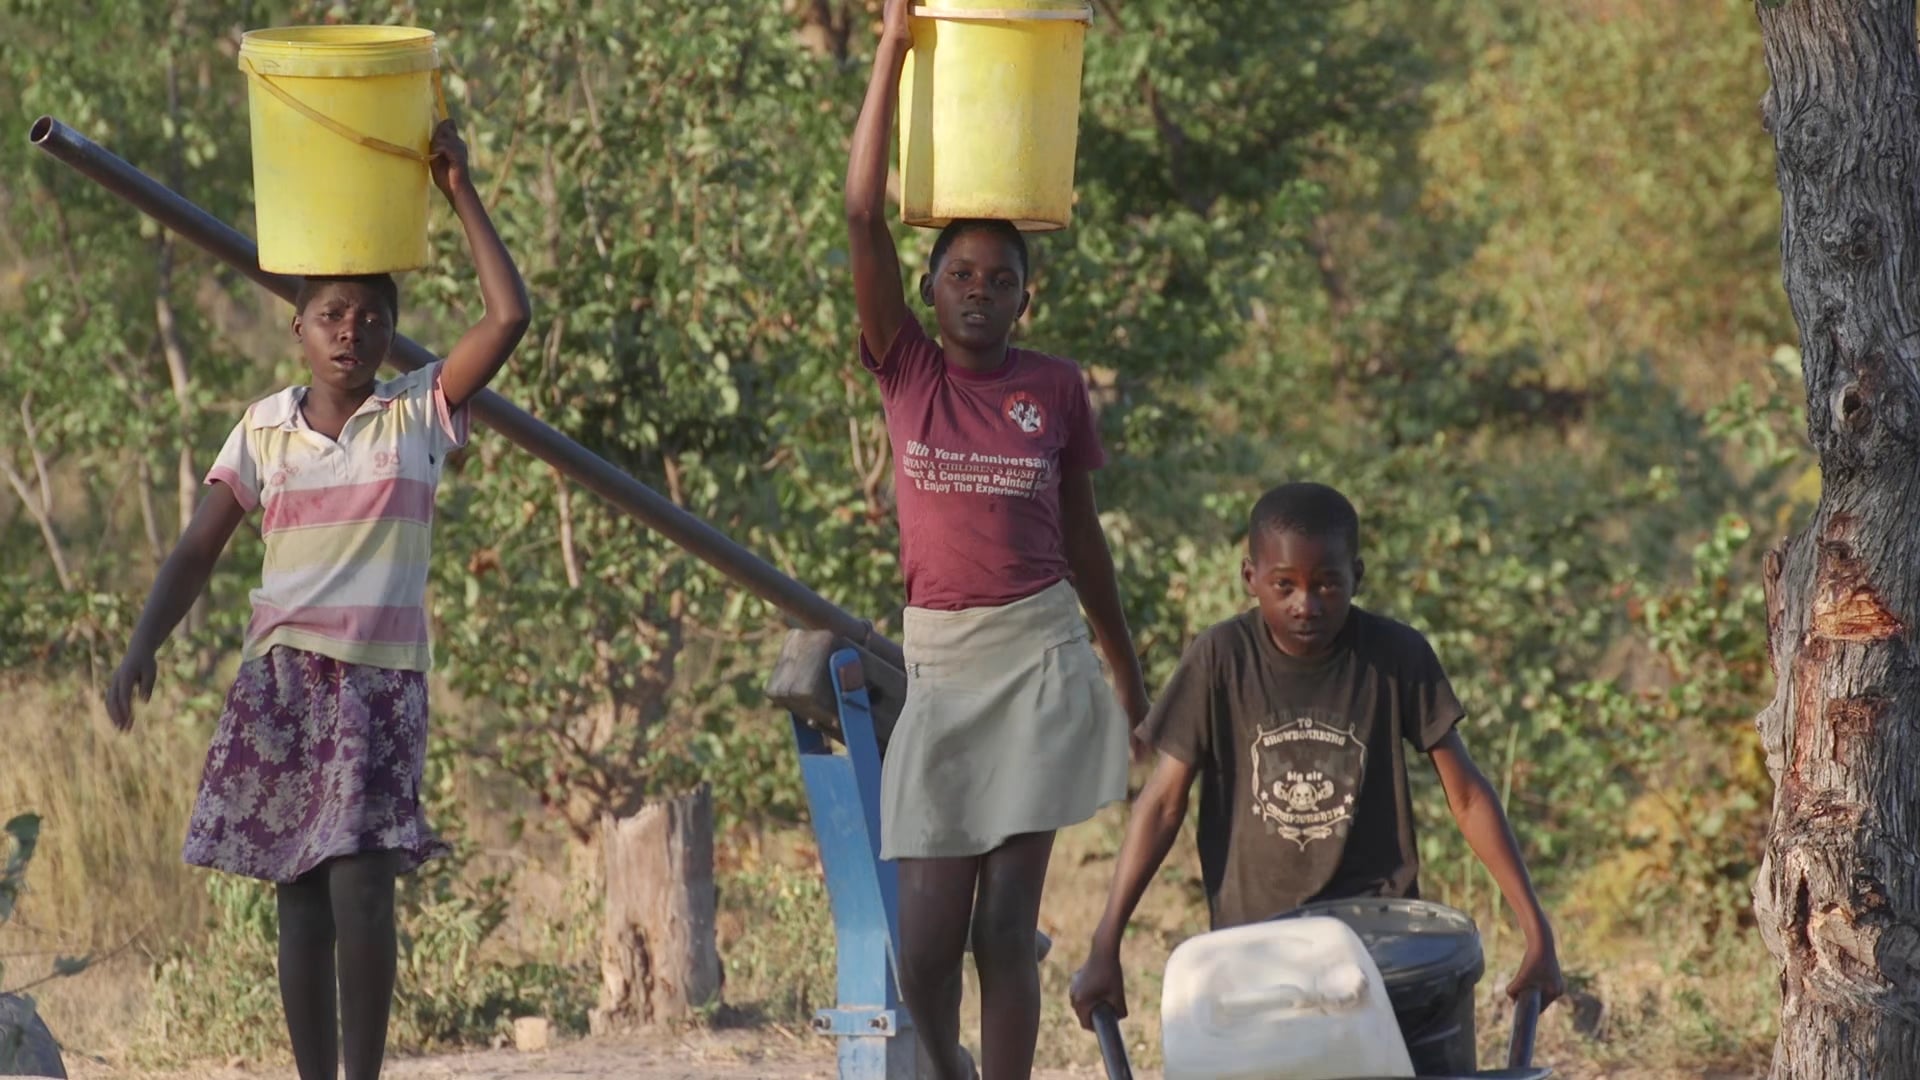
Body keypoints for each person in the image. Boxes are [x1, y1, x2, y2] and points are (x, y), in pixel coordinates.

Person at [104, 118, 529, 1080]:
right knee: (298, 893)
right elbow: (197, 550)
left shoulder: (419, 412)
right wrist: (143, 643)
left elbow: (508, 318)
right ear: (296, 328)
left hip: (378, 684)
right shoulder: (260, 431)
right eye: (331, 314)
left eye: (370, 316)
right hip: (284, 681)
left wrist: (459, 187)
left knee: (365, 890)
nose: (351, 331)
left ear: (389, 332)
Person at [845, 1, 1152, 1076]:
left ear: (1028, 298)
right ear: (929, 294)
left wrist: (1126, 667)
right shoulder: (908, 370)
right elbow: (859, 216)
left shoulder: (1054, 389)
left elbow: (1083, 537)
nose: (979, 292)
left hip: (1038, 658)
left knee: (999, 927)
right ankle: (950, 1067)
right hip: (940, 662)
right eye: (960, 276)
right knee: (924, 945)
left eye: (1001, 279)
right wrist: (890, 44)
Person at [1070, 482, 1565, 1076]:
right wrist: (1105, 944)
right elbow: (1162, 805)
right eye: (1285, 585)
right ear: (1250, 577)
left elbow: (1466, 795)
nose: (1306, 603)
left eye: (1327, 583)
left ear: (1357, 576)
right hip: (1255, 946)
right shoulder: (1221, 658)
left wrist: (1536, 927)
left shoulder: (1395, 656)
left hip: (1375, 945)